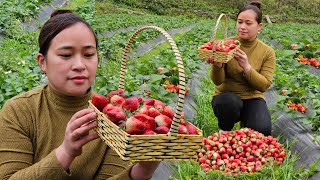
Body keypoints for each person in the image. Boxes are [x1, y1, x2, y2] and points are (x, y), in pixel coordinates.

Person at [0, 10, 159, 179]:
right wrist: (65, 153)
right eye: (66, 55)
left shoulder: (113, 118)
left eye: (89, 55)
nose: (79, 65)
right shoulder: (19, 111)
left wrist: (143, 171)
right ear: (43, 62)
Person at [209, 1, 276, 136]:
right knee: (228, 103)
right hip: (227, 97)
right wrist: (218, 66)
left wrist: (247, 67)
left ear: (259, 26)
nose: (242, 27)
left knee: (262, 130)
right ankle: (225, 130)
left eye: (248, 23)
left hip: (252, 98)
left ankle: (247, 122)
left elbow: (264, 86)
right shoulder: (226, 45)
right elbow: (217, 81)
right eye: (240, 22)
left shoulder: (267, 52)